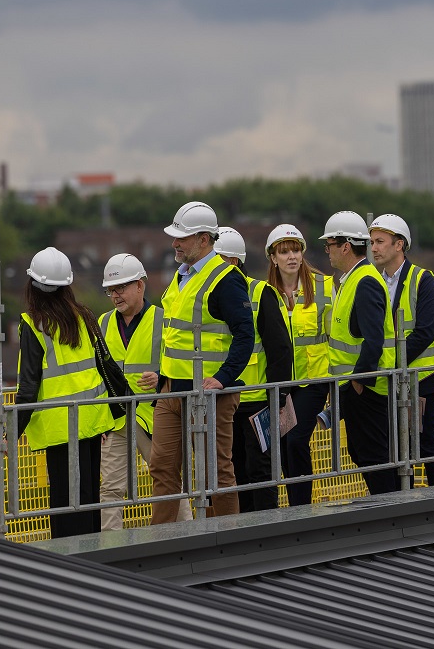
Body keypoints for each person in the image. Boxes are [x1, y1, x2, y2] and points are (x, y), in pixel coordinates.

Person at [149, 201, 255, 524]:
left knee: (216, 472)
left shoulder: (225, 278)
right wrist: (161, 375)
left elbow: (245, 335)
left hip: (210, 395)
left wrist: (223, 377)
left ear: (204, 240)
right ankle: (162, 542)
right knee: (163, 466)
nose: (175, 243)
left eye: (182, 237)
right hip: (172, 393)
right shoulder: (181, 277)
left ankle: (225, 539)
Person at [15, 247, 114, 538]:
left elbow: (28, 387)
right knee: (89, 499)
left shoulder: (35, 324)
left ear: (33, 286)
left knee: (65, 504)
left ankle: (69, 566)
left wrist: (11, 429)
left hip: (60, 429)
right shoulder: (85, 316)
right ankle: (94, 562)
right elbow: (103, 368)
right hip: (92, 423)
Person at [97, 253, 191, 529]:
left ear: (140, 285)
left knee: (168, 483)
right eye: (111, 290)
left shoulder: (164, 321)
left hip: (153, 417)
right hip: (115, 419)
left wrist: (162, 376)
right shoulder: (102, 324)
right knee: (111, 489)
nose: (115, 295)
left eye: (121, 287)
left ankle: (187, 536)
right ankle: (110, 548)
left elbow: (181, 364)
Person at [320, 210, 400, 495]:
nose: (327, 251)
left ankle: (393, 516)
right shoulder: (352, 280)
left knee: (374, 457)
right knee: (365, 454)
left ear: (345, 246)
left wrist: (357, 384)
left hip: (367, 390)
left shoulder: (364, 281)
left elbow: (373, 341)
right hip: (358, 389)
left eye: (329, 245)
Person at [214, 227, 293, 512]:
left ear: (233, 262)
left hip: (258, 403)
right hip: (225, 402)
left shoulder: (260, 293)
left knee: (261, 472)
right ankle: (243, 529)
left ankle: (265, 530)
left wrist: (278, 397)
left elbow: (280, 350)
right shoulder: (212, 295)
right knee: (233, 472)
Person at [369, 214, 434, 486]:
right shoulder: (374, 281)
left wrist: (392, 363)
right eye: (372, 242)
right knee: (396, 450)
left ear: (399, 244)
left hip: (420, 380)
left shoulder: (423, 279)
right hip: (390, 381)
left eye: (380, 242)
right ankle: (407, 505)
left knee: (425, 446)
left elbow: (425, 332)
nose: (374, 248)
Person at [264, 223, 333, 506]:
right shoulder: (265, 294)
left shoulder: (323, 286)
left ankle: (302, 505)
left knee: (295, 441)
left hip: (314, 381)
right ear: (273, 258)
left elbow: (337, 335)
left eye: (296, 250)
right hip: (282, 386)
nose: (292, 256)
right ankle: (295, 504)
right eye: (284, 251)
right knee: (281, 445)